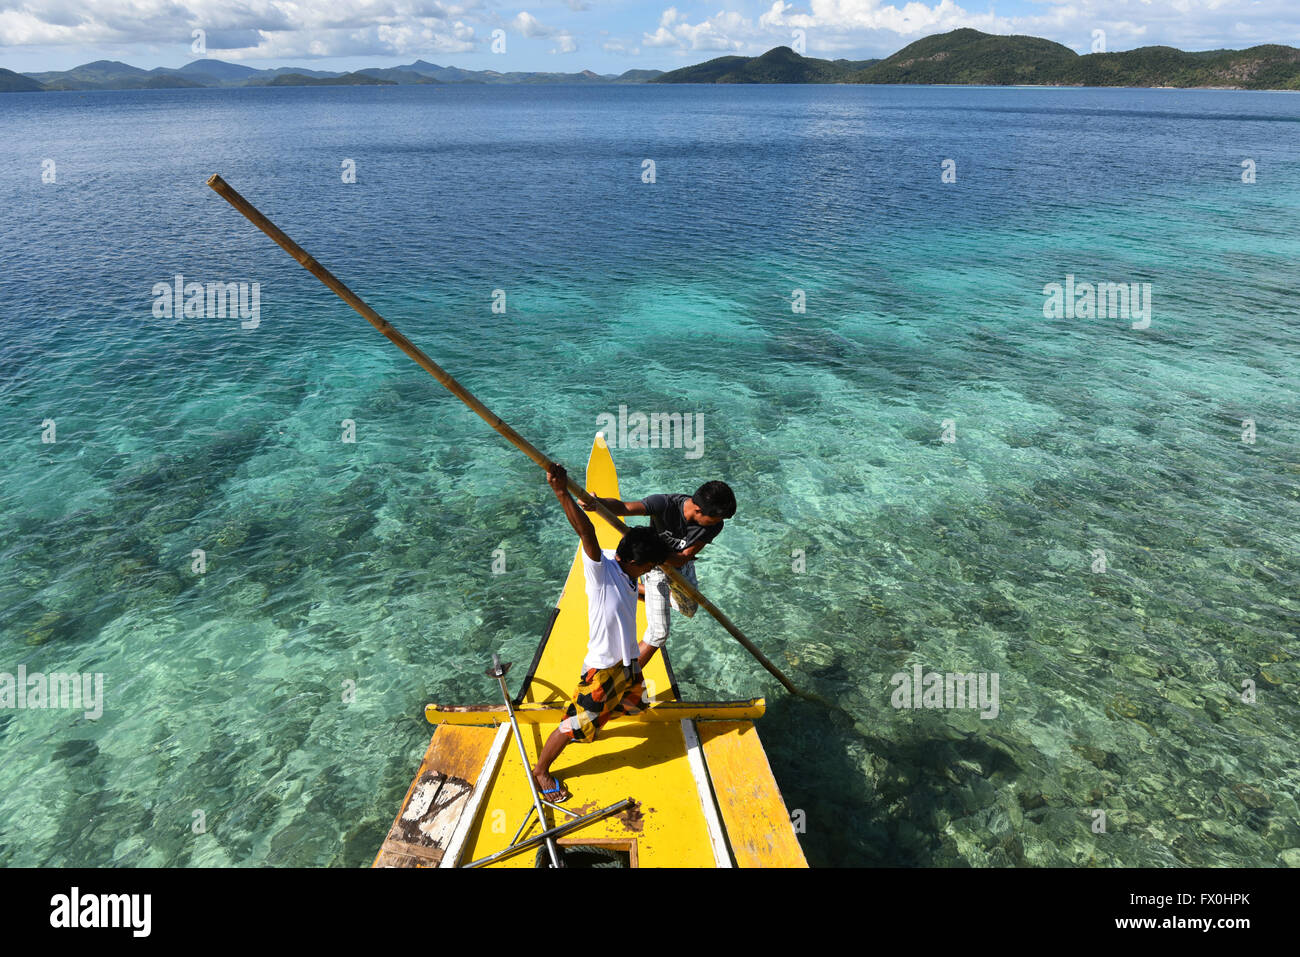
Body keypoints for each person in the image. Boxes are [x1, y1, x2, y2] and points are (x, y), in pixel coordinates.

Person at [531, 463, 672, 803]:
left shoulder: (626, 571)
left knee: (629, 703)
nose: (650, 571)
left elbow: (629, 580)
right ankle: (541, 771)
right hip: (602, 669)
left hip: (625, 663)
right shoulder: (602, 570)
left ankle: (602, 720)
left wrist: (644, 592)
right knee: (573, 725)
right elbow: (587, 534)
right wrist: (561, 492)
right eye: (649, 568)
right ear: (637, 565)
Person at [585, 480, 736, 668]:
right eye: (714, 519)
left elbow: (684, 557)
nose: (717, 524)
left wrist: (658, 553)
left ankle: (639, 589)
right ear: (698, 510)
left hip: (680, 564)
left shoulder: (714, 526)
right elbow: (625, 507)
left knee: (688, 609)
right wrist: (598, 504)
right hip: (653, 566)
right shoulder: (665, 504)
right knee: (659, 633)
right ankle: (624, 678)